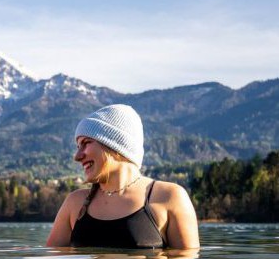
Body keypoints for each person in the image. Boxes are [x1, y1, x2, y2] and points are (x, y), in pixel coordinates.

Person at [47, 104, 199, 249]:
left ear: (115, 146)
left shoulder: (168, 197)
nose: (77, 156)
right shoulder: (75, 203)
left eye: (86, 143)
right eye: (78, 146)